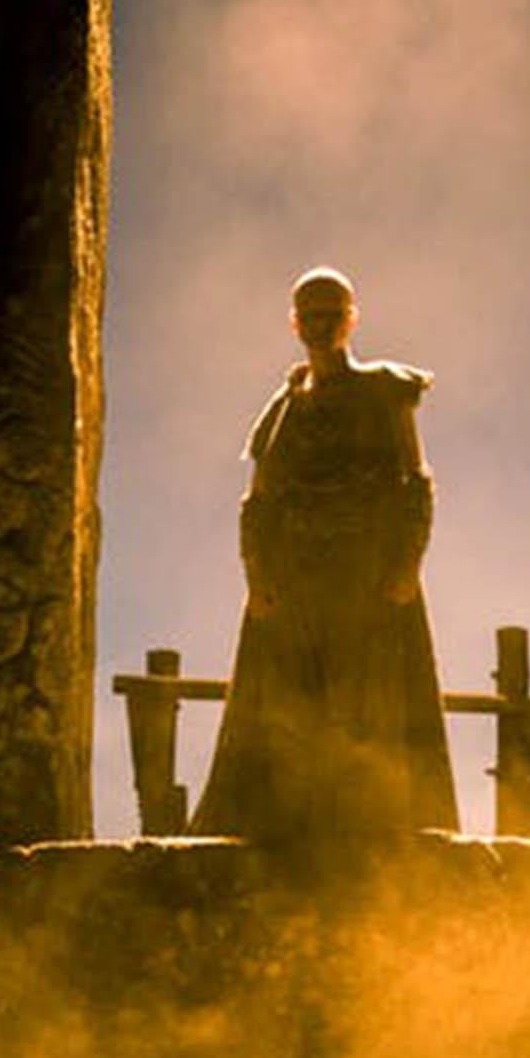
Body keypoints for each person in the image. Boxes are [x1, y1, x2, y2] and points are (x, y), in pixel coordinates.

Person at [191, 267, 459, 839]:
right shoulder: (281, 412)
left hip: (368, 583)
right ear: (294, 322)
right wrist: (257, 577)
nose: (320, 325)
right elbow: (258, 502)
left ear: (351, 318)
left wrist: (407, 564)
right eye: (309, 314)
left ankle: (369, 834)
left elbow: (415, 481)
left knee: (371, 714)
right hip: (294, 589)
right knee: (288, 719)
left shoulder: (387, 391)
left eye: (331, 313)